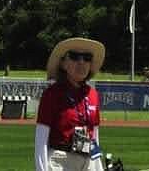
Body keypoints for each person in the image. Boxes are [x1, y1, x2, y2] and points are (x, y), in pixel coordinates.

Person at [35, 36, 106, 171]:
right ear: (63, 64)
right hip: (60, 161)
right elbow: (41, 139)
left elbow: (94, 136)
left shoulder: (93, 95)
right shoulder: (52, 94)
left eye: (87, 58)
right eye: (74, 57)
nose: (81, 62)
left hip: (88, 161)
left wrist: (98, 166)